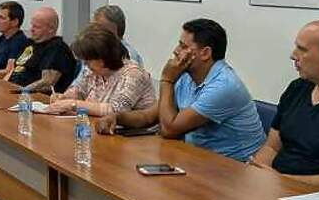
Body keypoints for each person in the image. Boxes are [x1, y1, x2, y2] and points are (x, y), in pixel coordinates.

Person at [97, 19, 265, 162]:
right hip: (201, 160)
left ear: (205, 53)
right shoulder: (186, 76)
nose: (176, 51)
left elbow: (169, 129)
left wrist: (167, 80)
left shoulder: (224, 86)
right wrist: (117, 117)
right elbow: (147, 117)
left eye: (183, 46)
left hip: (237, 168)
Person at [249, 19, 319, 195]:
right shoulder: (298, 88)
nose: (293, 55)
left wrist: (284, 181)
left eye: (302, 49)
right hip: (277, 188)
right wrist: (260, 170)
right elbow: (272, 147)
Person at [46, 23, 155, 116]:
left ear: (103, 57)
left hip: (133, 133)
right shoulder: (92, 71)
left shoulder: (134, 74)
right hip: (98, 128)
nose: (85, 64)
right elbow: (79, 91)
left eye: (88, 60)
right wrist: (63, 97)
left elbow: (117, 110)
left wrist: (73, 104)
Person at [6, 7, 76, 93]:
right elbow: (15, 69)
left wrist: (22, 91)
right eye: (32, 25)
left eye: (37, 27)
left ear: (51, 29)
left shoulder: (57, 48)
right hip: (13, 89)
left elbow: (48, 82)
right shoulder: (29, 43)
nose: (31, 29)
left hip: (32, 95)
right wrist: (4, 84)